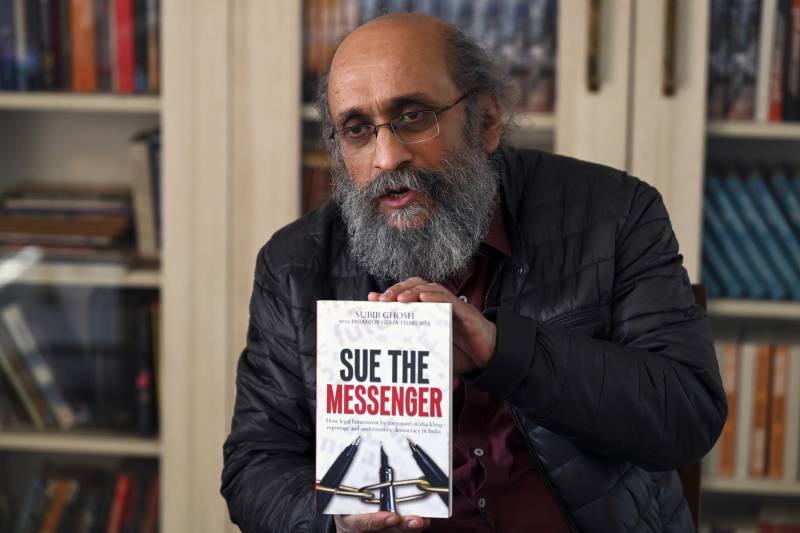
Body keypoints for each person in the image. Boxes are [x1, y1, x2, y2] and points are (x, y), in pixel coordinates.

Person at [221, 13, 726, 533]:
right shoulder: (293, 264)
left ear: (485, 121)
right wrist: (333, 521)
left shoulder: (616, 214)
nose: (387, 157)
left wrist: (501, 351)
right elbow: (254, 463)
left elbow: (686, 416)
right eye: (357, 130)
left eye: (414, 116)